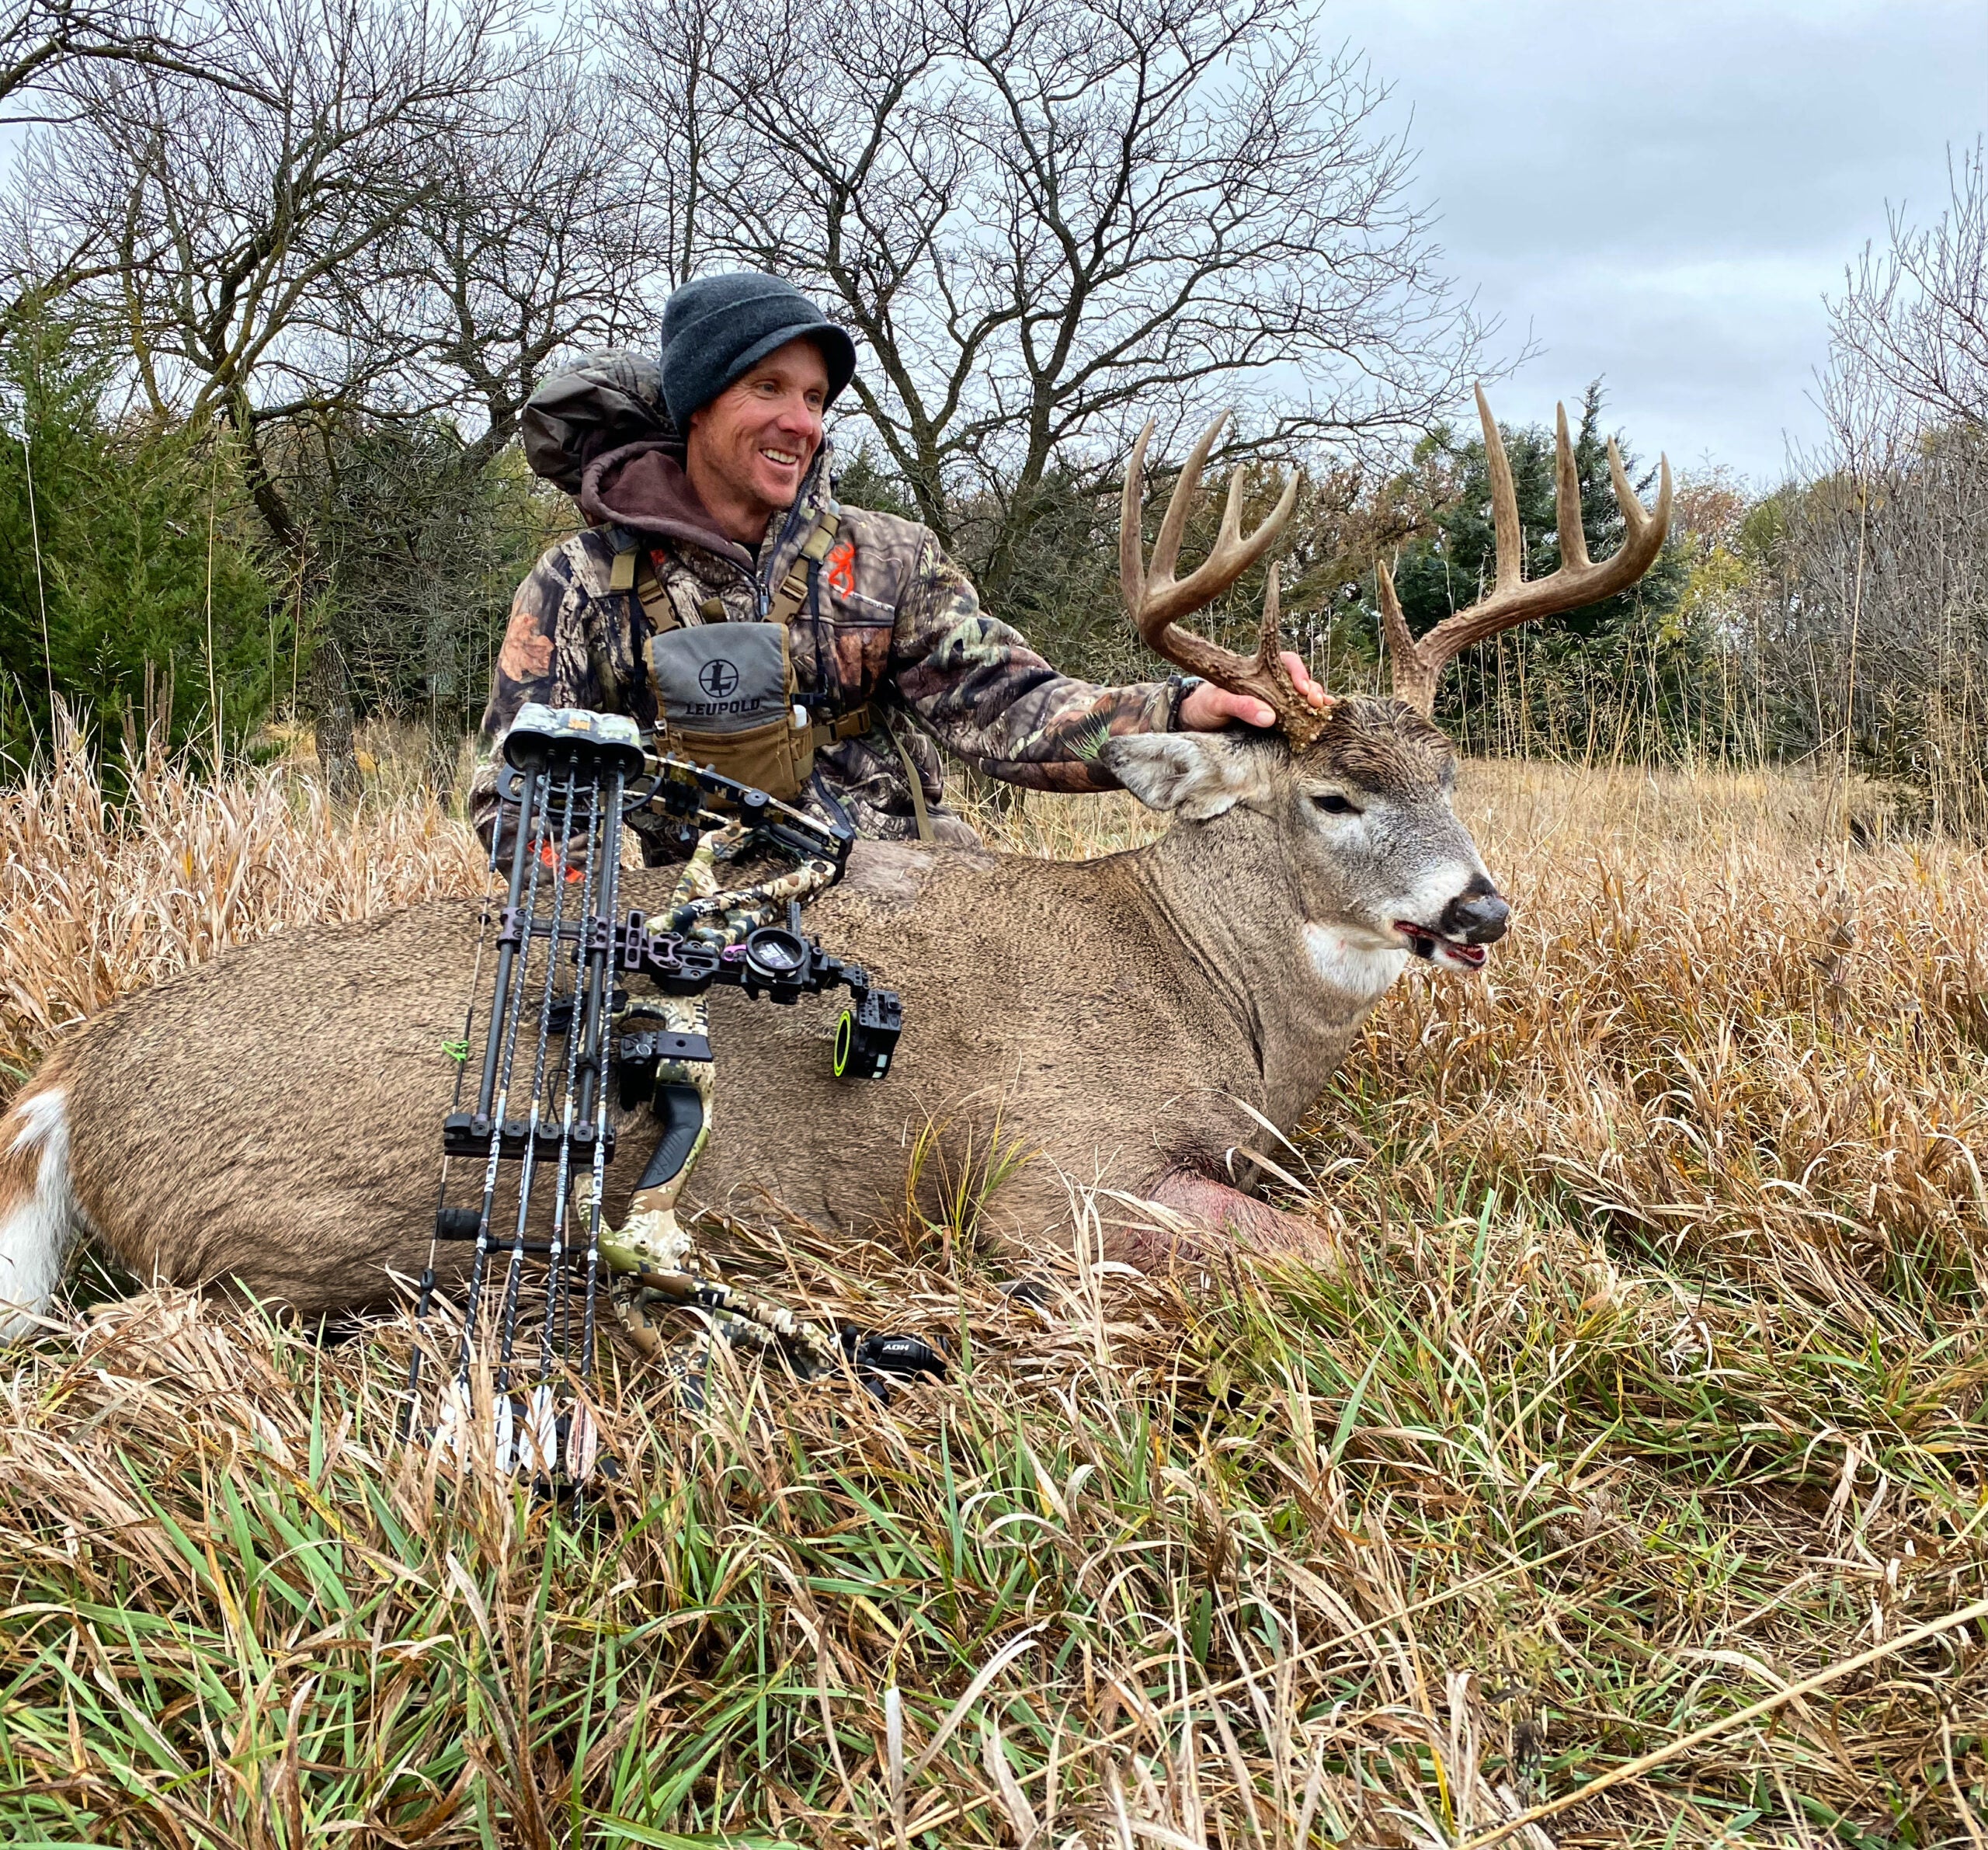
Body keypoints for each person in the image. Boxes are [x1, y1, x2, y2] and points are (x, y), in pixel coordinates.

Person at [472, 270, 1326, 861]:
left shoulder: (887, 559)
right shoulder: (581, 582)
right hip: (693, 922)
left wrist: (1183, 707)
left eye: (813, 399)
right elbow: (518, 785)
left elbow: (1010, 708)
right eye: (767, 388)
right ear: (697, 405)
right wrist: (603, 907)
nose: (800, 423)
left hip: (905, 903)